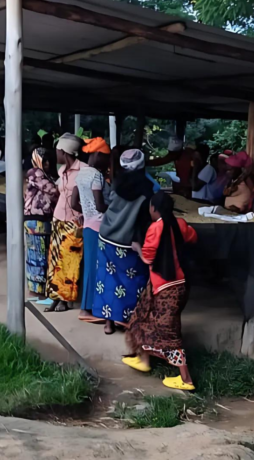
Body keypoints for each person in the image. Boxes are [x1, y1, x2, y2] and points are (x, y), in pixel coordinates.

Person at [122, 191, 199, 391]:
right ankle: (143, 360)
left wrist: (137, 247)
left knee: (169, 334)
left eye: (150, 207)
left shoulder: (155, 228)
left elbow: (148, 258)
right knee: (142, 317)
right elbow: (193, 237)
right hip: (178, 284)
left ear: (154, 208)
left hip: (166, 287)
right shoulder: (180, 224)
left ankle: (186, 379)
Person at [95, 149, 155, 334]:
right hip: (129, 242)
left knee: (106, 280)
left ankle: (108, 324)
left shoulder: (117, 183)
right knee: (134, 281)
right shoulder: (147, 188)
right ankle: (130, 321)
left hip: (107, 237)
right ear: (142, 165)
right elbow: (145, 218)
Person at [45, 133, 88, 312]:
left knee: (70, 260)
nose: (55, 154)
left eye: (57, 151)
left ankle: (65, 298)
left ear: (64, 151)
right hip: (58, 219)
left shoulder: (84, 170)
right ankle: (54, 296)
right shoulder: (61, 170)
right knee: (54, 259)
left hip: (74, 221)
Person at [75, 138, 111, 323]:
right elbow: (100, 205)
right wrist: (114, 207)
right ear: (97, 155)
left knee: (89, 267)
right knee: (98, 268)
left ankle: (89, 307)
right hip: (99, 226)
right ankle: (87, 309)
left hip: (89, 225)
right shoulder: (96, 175)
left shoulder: (80, 173)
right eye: (106, 157)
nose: (108, 161)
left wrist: (86, 212)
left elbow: (74, 202)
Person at [24, 147, 59, 297]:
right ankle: (36, 290)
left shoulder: (47, 175)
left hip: (44, 219)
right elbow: (53, 190)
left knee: (43, 254)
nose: (47, 164)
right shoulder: (34, 173)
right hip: (34, 219)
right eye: (44, 161)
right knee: (36, 255)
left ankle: (41, 287)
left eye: (48, 161)